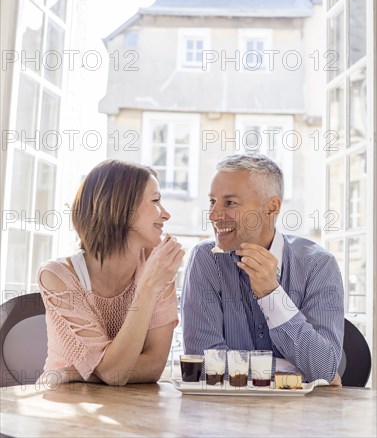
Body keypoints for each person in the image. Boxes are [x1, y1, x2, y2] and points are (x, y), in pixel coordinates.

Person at [181, 153, 344, 384]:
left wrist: (272, 294)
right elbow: (205, 367)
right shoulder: (205, 260)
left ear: (271, 208)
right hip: (223, 415)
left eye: (230, 203)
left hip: (300, 417)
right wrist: (293, 371)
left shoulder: (318, 265)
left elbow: (322, 368)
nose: (214, 215)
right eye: (212, 201)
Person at [38, 160, 184, 386]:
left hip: (129, 408)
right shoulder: (57, 276)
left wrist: (84, 373)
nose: (166, 214)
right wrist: (148, 287)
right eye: (155, 201)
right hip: (65, 406)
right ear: (121, 209)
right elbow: (115, 372)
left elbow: (154, 366)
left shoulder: (156, 269)